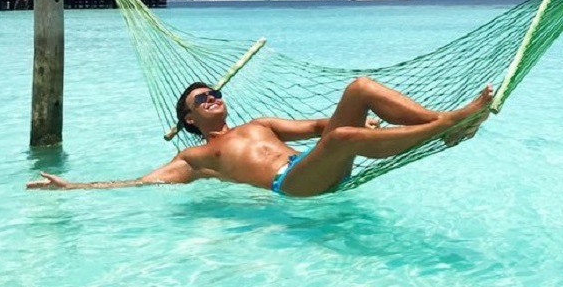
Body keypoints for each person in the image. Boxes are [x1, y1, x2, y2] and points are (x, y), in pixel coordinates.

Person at [27, 77, 494, 198]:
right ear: (189, 118)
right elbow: (139, 183)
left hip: (313, 161)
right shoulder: (197, 155)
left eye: (215, 93)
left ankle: (446, 123)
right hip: (291, 185)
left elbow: (318, 127)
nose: (212, 98)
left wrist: (368, 123)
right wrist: (73, 187)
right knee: (343, 139)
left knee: (360, 90)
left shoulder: (260, 123)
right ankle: (446, 127)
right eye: (202, 99)